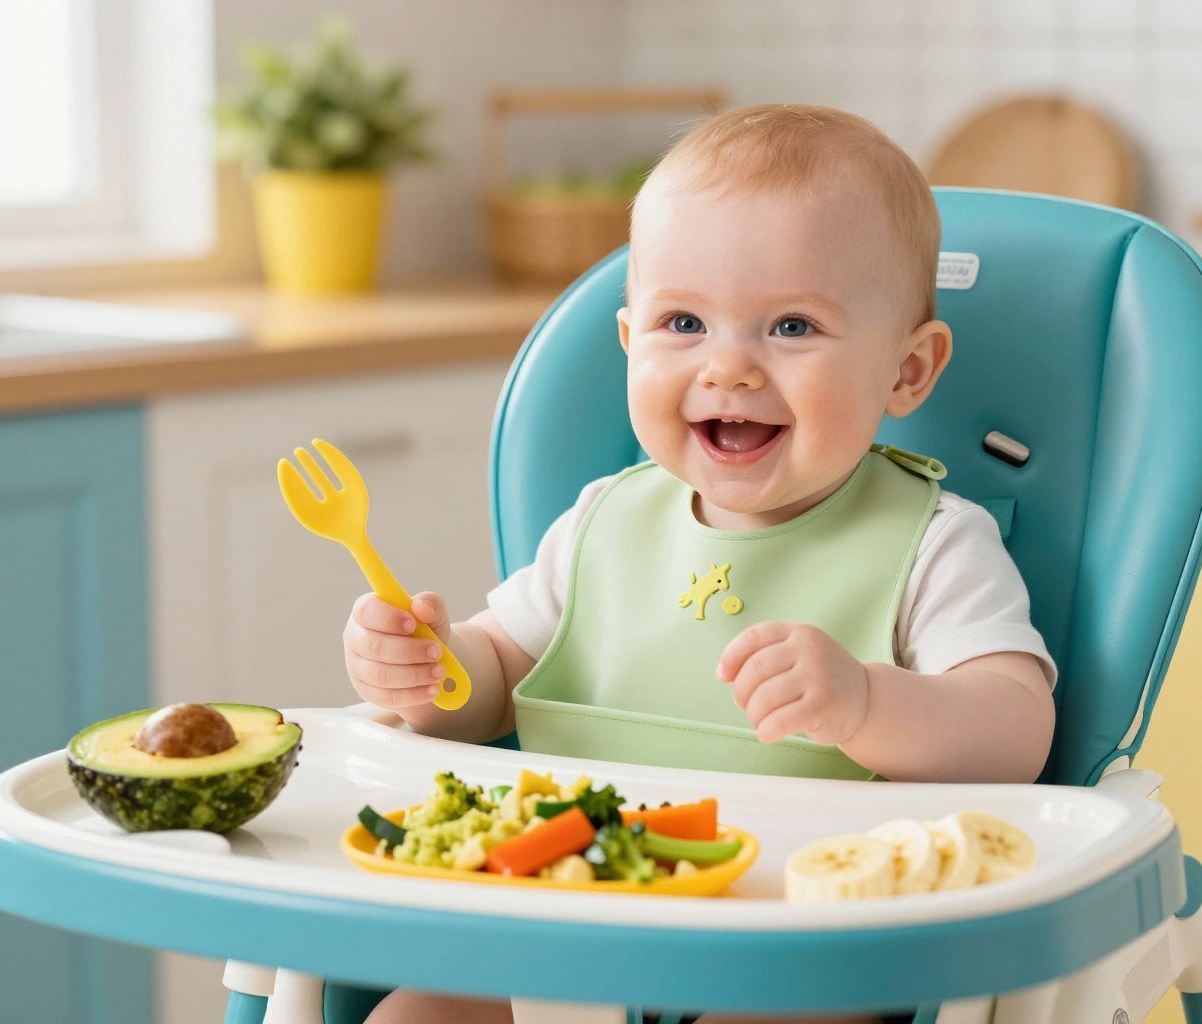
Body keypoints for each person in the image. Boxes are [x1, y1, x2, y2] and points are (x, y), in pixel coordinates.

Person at [345, 103, 1057, 1024]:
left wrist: (868, 705)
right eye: (683, 322)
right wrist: (430, 668)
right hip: (568, 915)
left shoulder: (934, 541)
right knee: (416, 1012)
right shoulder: (605, 520)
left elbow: (1016, 732)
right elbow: (494, 682)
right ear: (630, 341)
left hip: (809, 952)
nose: (729, 369)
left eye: (792, 327)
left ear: (908, 373)